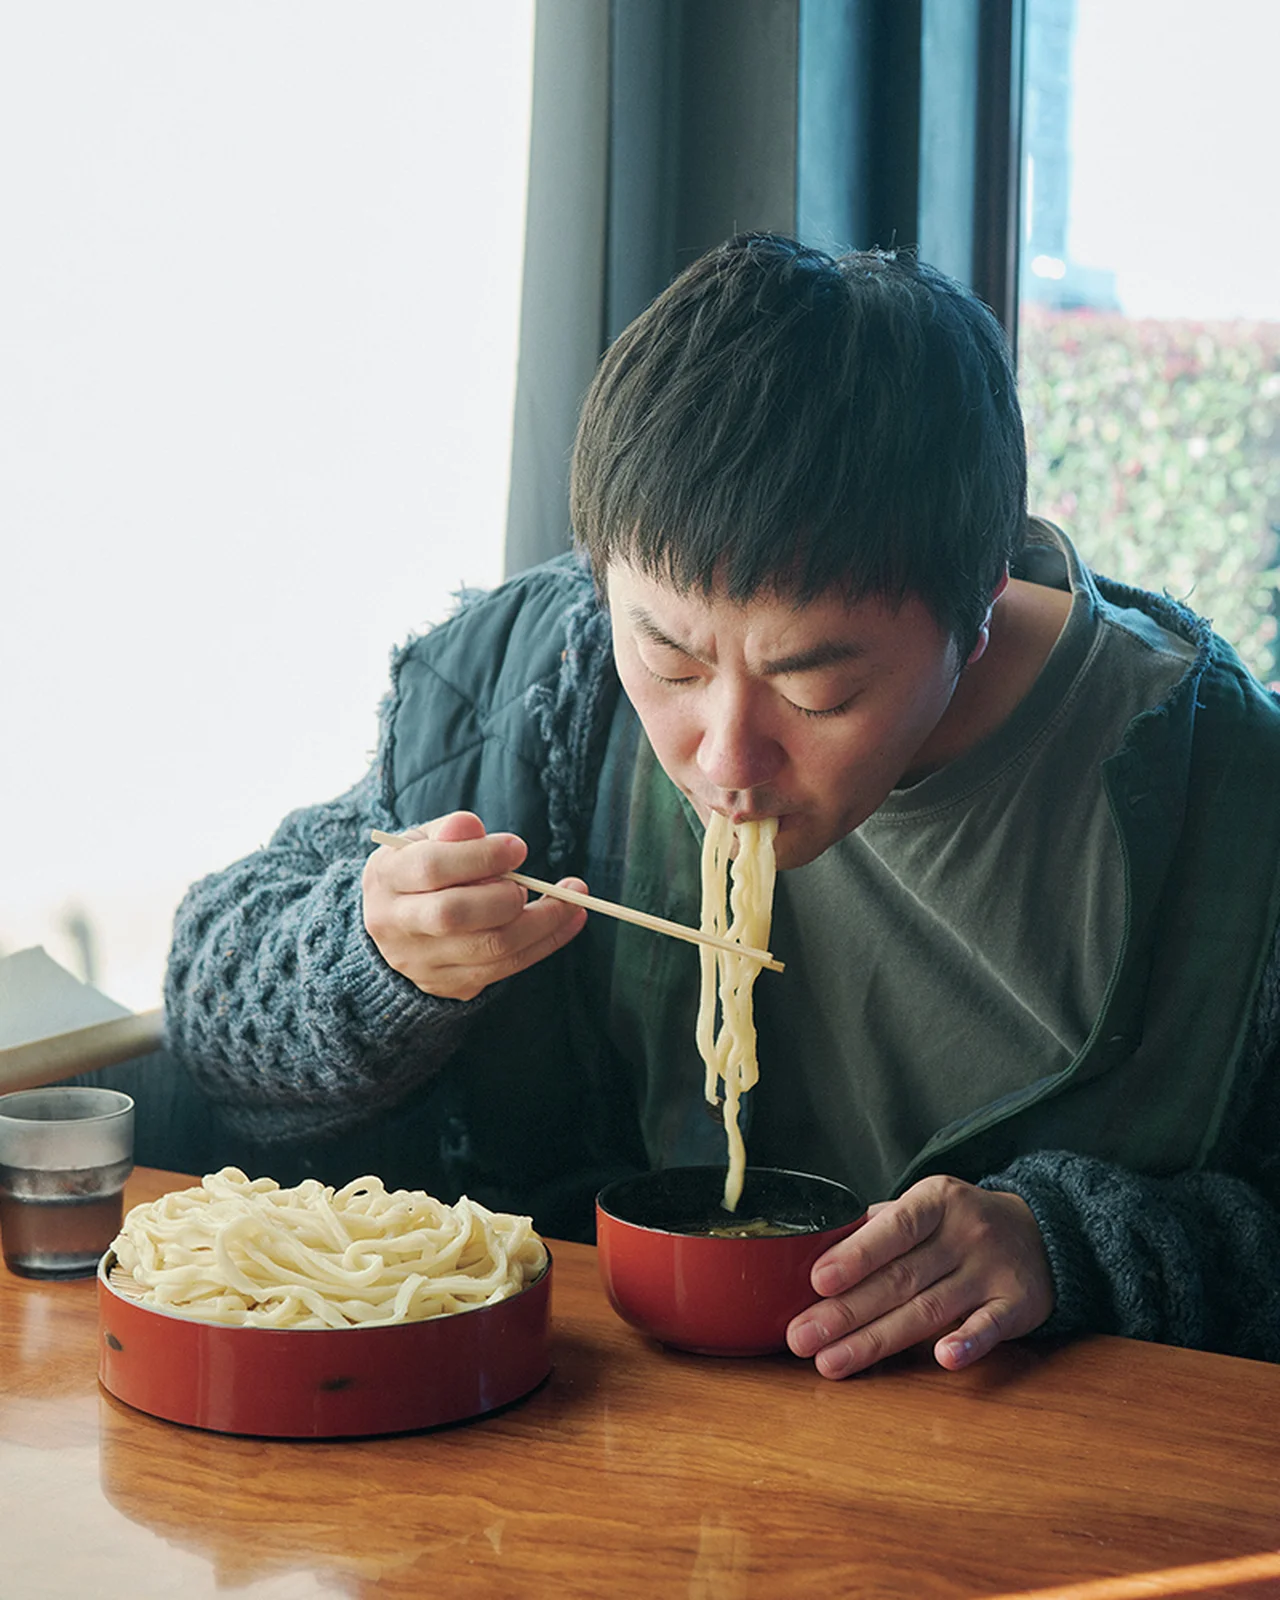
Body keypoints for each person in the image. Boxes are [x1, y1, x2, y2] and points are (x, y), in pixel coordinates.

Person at [165, 233, 1280, 1378]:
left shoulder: (1228, 809)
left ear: (978, 605)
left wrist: (1070, 1250)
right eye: (673, 662)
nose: (724, 759)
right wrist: (378, 958)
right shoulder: (544, 686)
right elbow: (212, 1017)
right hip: (589, 1440)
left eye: (818, 686)